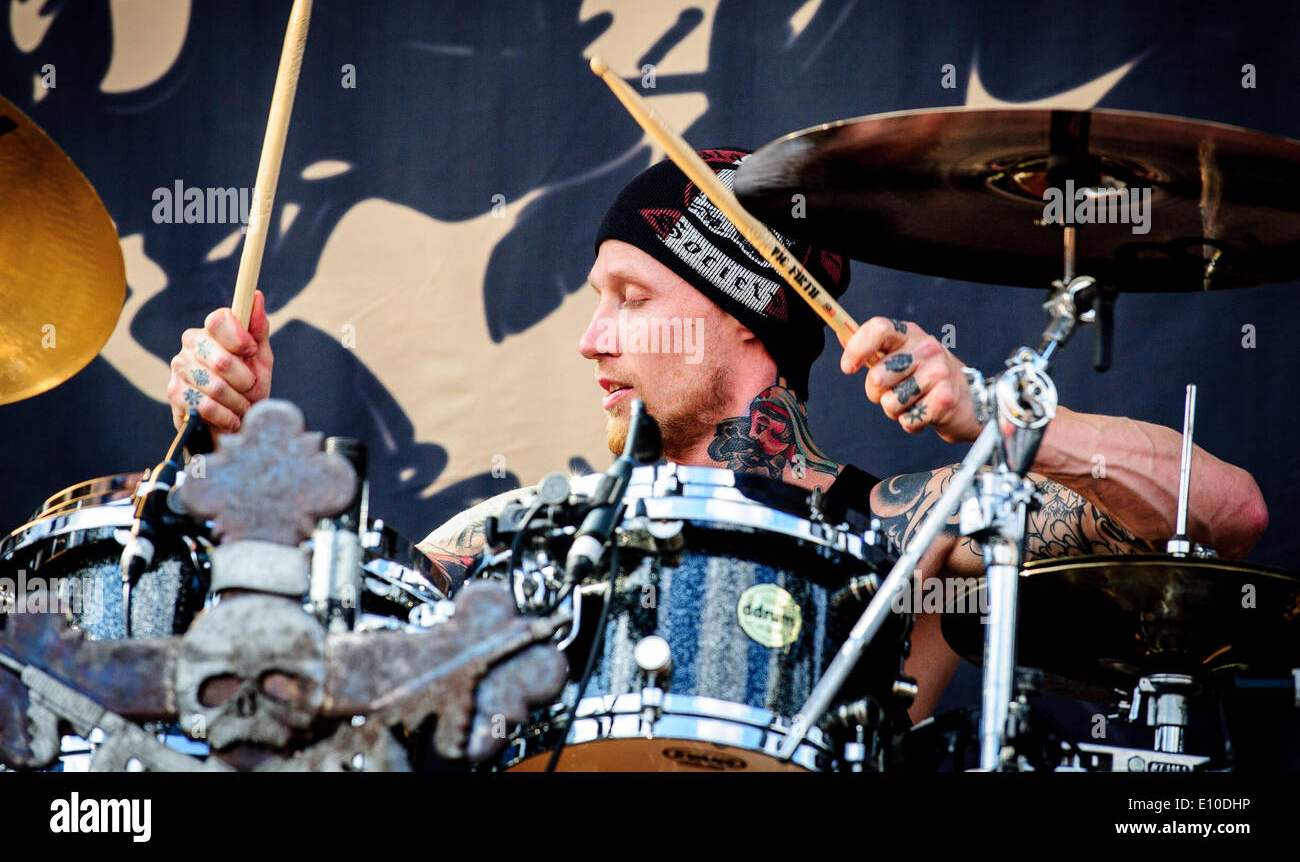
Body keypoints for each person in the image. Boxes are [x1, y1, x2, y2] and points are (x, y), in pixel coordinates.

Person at [165, 149, 1268, 721]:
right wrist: (224, 447)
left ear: (744, 314)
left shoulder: (904, 535)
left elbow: (1222, 514)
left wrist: (998, 417)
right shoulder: (517, 532)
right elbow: (311, 640)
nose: (591, 336)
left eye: (630, 298)